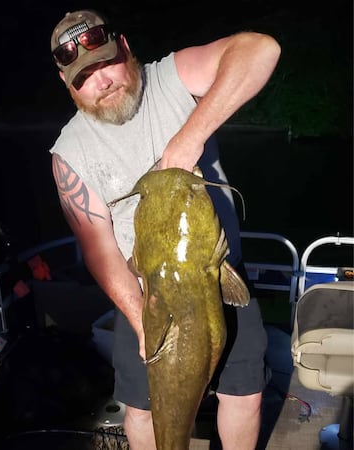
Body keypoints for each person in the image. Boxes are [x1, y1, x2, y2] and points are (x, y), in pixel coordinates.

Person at [47, 9, 280, 450]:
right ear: (66, 83)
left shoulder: (171, 79)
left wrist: (189, 137)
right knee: (141, 407)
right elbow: (100, 251)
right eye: (83, 77)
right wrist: (141, 323)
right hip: (144, 291)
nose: (101, 81)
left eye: (106, 62)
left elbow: (262, 50)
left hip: (218, 273)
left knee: (244, 394)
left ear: (127, 50)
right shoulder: (68, 154)